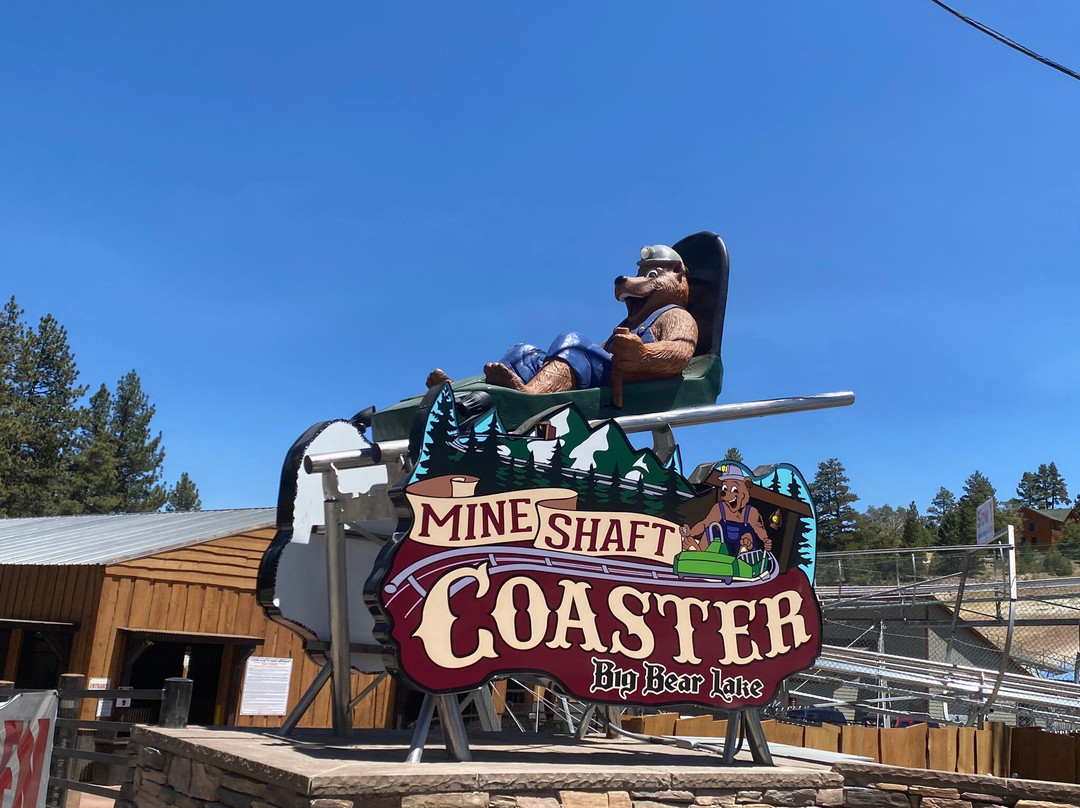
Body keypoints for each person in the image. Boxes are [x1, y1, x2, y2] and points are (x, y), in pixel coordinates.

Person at [426, 245, 699, 393]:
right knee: (524, 353)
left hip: (621, 385)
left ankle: (529, 397)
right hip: (603, 376)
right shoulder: (632, 325)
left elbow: (680, 352)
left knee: (574, 343)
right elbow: (599, 354)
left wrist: (643, 355)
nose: (634, 282)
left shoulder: (676, 315)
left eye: (652, 276)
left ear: (678, 275)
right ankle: (467, 397)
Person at [680, 464, 772, 557]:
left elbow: (759, 528)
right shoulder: (720, 508)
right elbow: (704, 524)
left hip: (741, 547)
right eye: (724, 488)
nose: (725, 493)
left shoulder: (751, 512)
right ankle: (700, 554)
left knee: (748, 536)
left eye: (734, 489)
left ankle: (743, 557)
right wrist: (690, 533)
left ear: (745, 486)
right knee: (710, 530)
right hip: (723, 547)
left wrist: (765, 540)